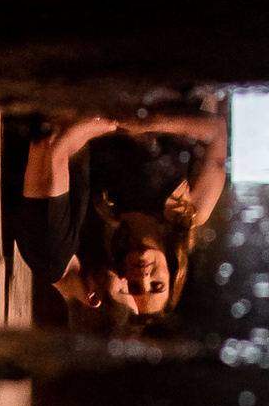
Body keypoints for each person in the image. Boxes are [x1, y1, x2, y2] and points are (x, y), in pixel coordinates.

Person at [92, 110, 228, 314]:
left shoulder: (101, 215)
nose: (144, 276)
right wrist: (152, 123)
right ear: (172, 276)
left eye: (134, 287)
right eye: (157, 285)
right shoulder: (192, 211)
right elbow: (217, 131)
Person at [15, 113, 139, 330]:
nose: (125, 280)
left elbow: (52, 146)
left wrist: (111, 122)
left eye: (123, 291)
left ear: (92, 299)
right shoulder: (67, 257)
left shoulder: (51, 251)